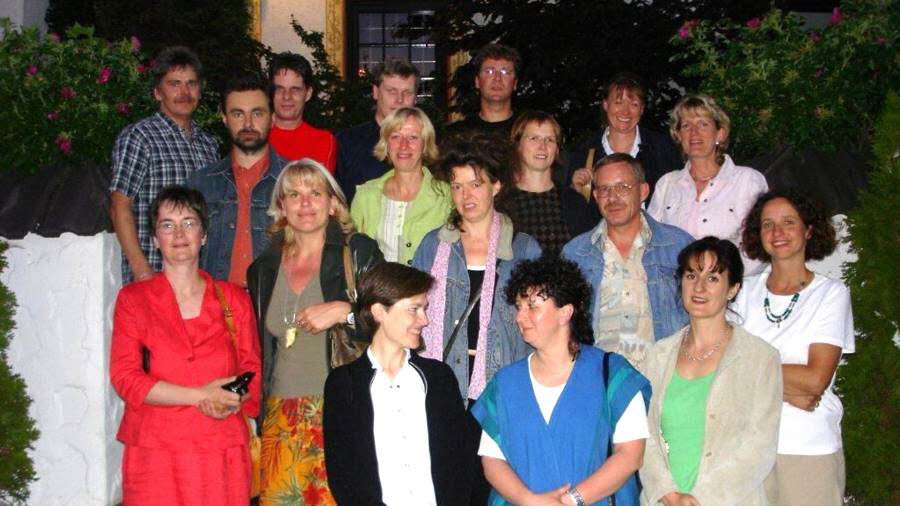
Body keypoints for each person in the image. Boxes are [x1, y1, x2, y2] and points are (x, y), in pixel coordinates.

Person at [110, 186, 261, 504]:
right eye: (167, 225)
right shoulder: (133, 300)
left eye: (189, 223)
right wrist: (200, 396)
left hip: (221, 448)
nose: (179, 234)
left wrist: (231, 399)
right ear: (154, 239)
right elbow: (125, 378)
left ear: (203, 235)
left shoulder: (233, 298)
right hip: (155, 452)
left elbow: (252, 371)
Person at [246, 159, 383, 505]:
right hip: (280, 414)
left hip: (341, 411)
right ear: (281, 207)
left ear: (333, 203)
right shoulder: (262, 269)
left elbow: (393, 318)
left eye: (315, 193)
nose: (305, 203)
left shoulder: (358, 251)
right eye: (294, 194)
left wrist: (345, 312)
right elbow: (259, 349)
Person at [473, 256, 651, 506]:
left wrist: (572, 500)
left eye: (532, 306)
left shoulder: (612, 375)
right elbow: (492, 460)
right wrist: (530, 501)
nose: (519, 317)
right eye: (518, 307)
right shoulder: (505, 384)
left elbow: (630, 455)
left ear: (565, 312)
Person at [639, 236, 782, 505]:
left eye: (713, 278)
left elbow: (759, 447)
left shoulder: (760, 358)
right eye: (691, 275)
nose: (699, 287)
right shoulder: (658, 355)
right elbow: (644, 435)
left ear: (733, 289)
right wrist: (669, 494)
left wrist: (700, 499)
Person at [733, 190, 854, 506]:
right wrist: (793, 390)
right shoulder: (742, 292)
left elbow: (815, 380)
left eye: (789, 222)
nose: (778, 232)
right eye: (768, 224)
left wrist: (752, 373)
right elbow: (724, 368)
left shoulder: (831, 294)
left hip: (808, 448)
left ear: (808, 229)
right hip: (747, 448)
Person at [323, 262, 478, 505]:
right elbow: (342, 472)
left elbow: (460, 460)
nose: (424, 320)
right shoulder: (343, 384)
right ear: (379, 312)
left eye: (424, 309)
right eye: (414, 309)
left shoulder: (438, 378)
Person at [562, 153, 694, 367]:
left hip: (663, 375)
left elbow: (701, 316)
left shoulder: (678, 247)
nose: (612, 198)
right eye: (604, 189)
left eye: (623, 187)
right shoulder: (575, 254)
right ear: (595, 195)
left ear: (643, 191)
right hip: (598, 378)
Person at [110, 46, 219, 283]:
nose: (184, 92)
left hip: (198, 278)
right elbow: (120, 205)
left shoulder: (208, 144)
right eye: (174, 84)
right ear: (158, 92)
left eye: (191, 83)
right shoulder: (140, 137)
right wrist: (141, 270)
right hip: (154, 274)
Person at [648, 94, 768, 273]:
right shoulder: (666, 184)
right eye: (686, 126)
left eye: (703, 124)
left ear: (720, 133)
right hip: (677, 284)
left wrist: (720, 278)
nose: (694, 132)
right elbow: (651, 242)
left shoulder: (747, 181)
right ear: (678, 135)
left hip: (735, 284)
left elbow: (762, 243)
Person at [186, 75, 287, 286]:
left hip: (277, 302)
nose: (248, 124)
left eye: (257, 113)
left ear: (272, 118)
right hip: (214, 301)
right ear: (224, 118)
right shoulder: (200, 184)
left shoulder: (294, 182)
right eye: (238, 114)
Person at [351, 107, 451, 265]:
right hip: (377, 281)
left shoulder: (446, 196)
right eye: (396, 137)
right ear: (386, 144)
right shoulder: (365, 195)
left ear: (425, 144)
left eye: (413, 137)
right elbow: (353, 253)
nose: (403, 145)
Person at [569, 72, 681, 198]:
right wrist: (575, 190)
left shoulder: (663, 149)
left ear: (642, 109)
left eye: (634, 104)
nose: (625, 111)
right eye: (618, 102)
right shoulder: (583, 153)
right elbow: (572, 204)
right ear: (605, 105)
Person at [504, 110, 599, 255]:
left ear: (557, 150)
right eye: (534, 138)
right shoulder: (501, 202)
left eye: (549, 139)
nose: (542, 146)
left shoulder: (574, 202)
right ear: (518, 146)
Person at [336, 59, 420, 202]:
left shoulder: (428, 144)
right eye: (392, 91)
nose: (399, 100)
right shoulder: (347, 143)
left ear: (415, 98)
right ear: (375, 92)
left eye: (407, 92)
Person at [267, 52, 338, 171]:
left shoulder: (323, 141)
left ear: (308, 94)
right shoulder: (256, 137)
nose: (286, 96)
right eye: (279, 89)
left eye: (295, 90)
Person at [445, 43, 520, 140]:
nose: (497, 78)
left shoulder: (528, 131)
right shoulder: (457, 135)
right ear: (477, 81)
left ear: (515, 83)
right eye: (489, 72)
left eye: (505, 72)